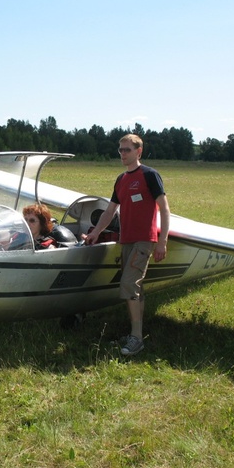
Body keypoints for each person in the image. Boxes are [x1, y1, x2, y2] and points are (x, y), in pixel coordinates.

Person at [84, 134, 170, 356]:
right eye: (120, 150)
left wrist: (162, 241)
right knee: (136, 288)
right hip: (127, 240)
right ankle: (136, 333)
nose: (122, 154)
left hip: (144, 240)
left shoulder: (150, 175)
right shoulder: (121, 179)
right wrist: (95, 232)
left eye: (127, 150)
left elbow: (164, 208)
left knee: (128, 284)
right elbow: (111, 210)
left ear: (138, 152)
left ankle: (137, 338)